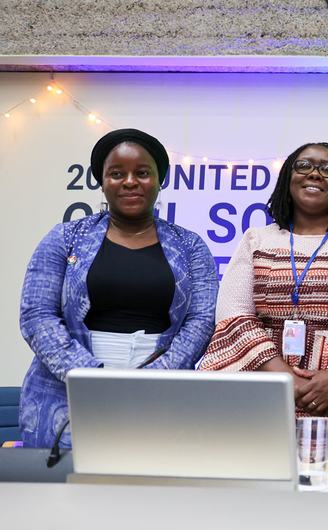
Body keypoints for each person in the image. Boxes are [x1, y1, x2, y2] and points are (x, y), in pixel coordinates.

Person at [18, 128, 218, 448]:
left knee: (151, 487)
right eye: (116, 173)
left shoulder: (191, 245)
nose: (129, 181)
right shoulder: (64, 238)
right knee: (67, 489)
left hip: (163, 384)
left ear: (159, 180)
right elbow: (36, 315)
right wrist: (89, 376)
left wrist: (158, 375)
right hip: (69, 384)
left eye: (142, 173)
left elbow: (202, 320)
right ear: (102, 180)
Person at [198, 142, 328, 481]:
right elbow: (233, 314)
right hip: (266, 392)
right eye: (304, 165)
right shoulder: (257, 239)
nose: (314, 173)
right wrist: (282, 375)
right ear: (287, 178)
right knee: (263, 493)